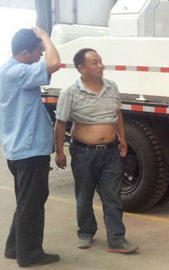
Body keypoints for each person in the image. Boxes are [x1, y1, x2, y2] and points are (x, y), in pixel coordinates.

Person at [54, 48, 137, 254]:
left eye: (100, 61)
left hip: (110, 152)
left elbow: (117, 114)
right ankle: (86, 231)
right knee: (84, 196)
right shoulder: (70, 93)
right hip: (84, 153)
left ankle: (116, 239)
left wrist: (122, 139)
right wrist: (59, 152)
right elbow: (60, 124)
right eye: (95, 62)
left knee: (113, 197)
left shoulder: (111, 87)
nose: (101, 66)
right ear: (81, 68)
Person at [0, 27, 62, 267]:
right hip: (28, 150)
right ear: (25, 52)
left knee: (26, 201)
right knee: (32, 203)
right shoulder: (17, 72)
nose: (40, 55)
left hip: (20, 150)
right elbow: (55, 64)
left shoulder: (8, 70)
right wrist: (45, 37)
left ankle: (15, 248)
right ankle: (30, 254)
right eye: (38, 51)